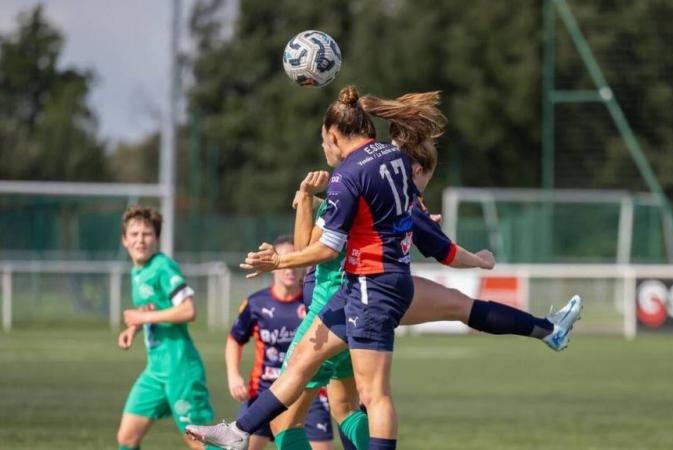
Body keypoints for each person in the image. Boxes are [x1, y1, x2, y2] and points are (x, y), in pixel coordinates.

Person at [186, 87, 582, 450]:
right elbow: (430, 238)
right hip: (388, 283)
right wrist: (477, 260)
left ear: (335, 135)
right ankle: (548, 328)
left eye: (324, 140)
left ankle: (240, 432)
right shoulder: (394, 159)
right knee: (317, 363)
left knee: (372, 395)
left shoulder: (347, 176)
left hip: (368, 287)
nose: (324, 147)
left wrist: (279, 260)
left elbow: (325, 249)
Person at [116, 205, 216, 450]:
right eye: (135, 233)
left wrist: (141, 319)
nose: (140, 239)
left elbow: (188, 310)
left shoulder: (163, 267)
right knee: (127, 438)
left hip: (180, 368)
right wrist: (134, 328)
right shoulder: (137, 272)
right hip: (156, 371)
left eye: (147, 234)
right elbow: (152, 310)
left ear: (156, 238)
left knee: (199, 441)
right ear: (124, 239)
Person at [226, 235, 334, 450]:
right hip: (265, 392)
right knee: (242, 444)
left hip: (309, 392)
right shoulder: (256, 303)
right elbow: (235, 340)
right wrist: (233, 375)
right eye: (284, 260)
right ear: (273, 264)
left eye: (295, 259)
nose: (289, 268)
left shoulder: (316, 302)